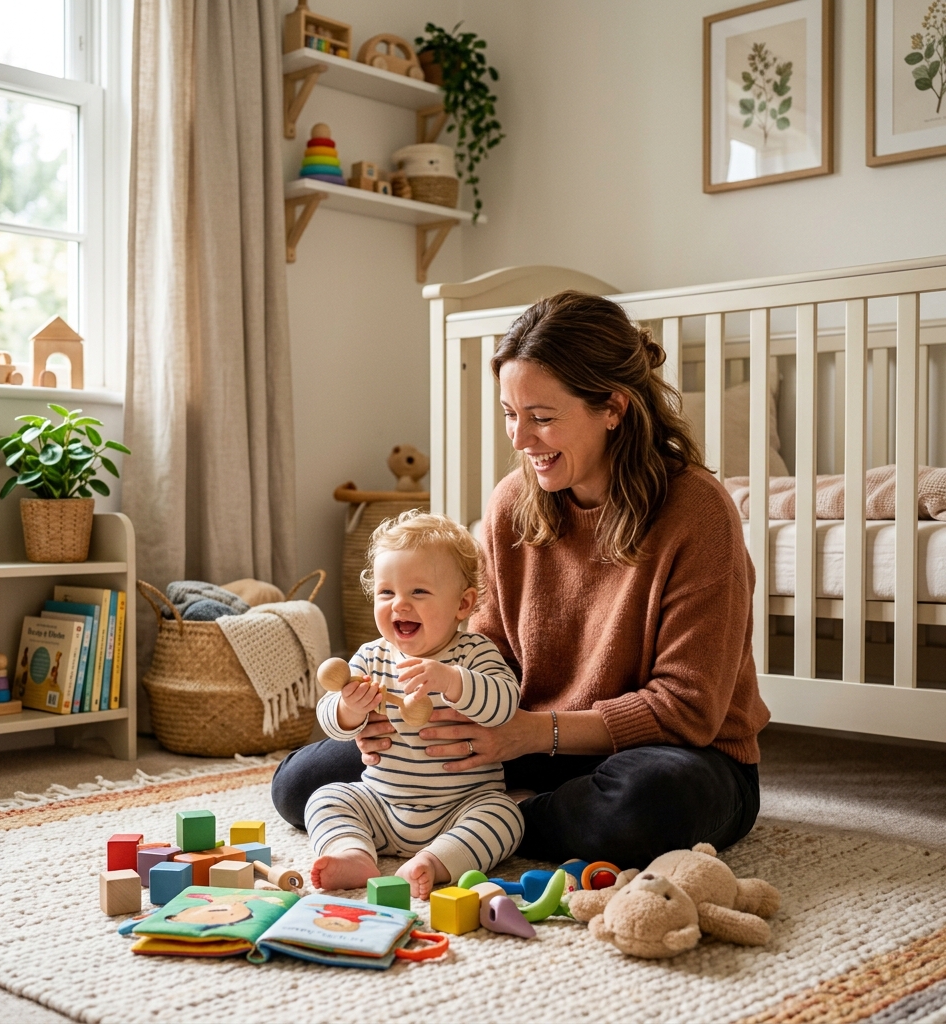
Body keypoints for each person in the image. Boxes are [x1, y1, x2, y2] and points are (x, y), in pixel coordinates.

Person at [276, 290, 769, 870]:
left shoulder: (698, 511)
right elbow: (479, 652)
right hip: (521, 736)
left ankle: (493, 822)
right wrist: (394, 711)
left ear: (613, 407)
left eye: (541, 417)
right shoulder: (514, 503)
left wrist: (528, 735)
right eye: (511, 414)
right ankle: (481, 821)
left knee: (648, 804)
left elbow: (687, 710)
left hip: (673, 753)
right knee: (301, 781)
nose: (518, 438)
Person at [305, 510, 523, 897]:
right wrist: (349, 709)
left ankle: (437, 861)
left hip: (461, 805)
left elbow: (504, 704)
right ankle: (352, 852)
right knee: (326, 798)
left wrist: (452, 681)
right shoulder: (372, 656)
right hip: (381, 804)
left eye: (418, 592)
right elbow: (329, 718)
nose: (399, 605)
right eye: (387, 593)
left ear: (463, 605)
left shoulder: (474, 653)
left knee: (505, 816)